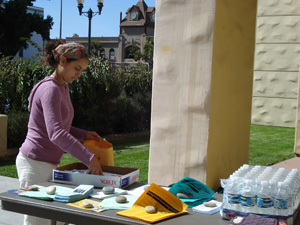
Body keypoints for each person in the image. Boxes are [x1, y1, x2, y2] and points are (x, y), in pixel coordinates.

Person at [16, 40, 103, 225]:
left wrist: (84, 134)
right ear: (62, 60)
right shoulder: (50, 89)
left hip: (48, 164)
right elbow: (56, 133)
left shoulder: (63, 87)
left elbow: (60, 125)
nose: (79, 74)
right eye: (77, 68)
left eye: (82, 71)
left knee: (53, 218)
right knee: (37, 221)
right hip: (34, 164)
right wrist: (89, 157)